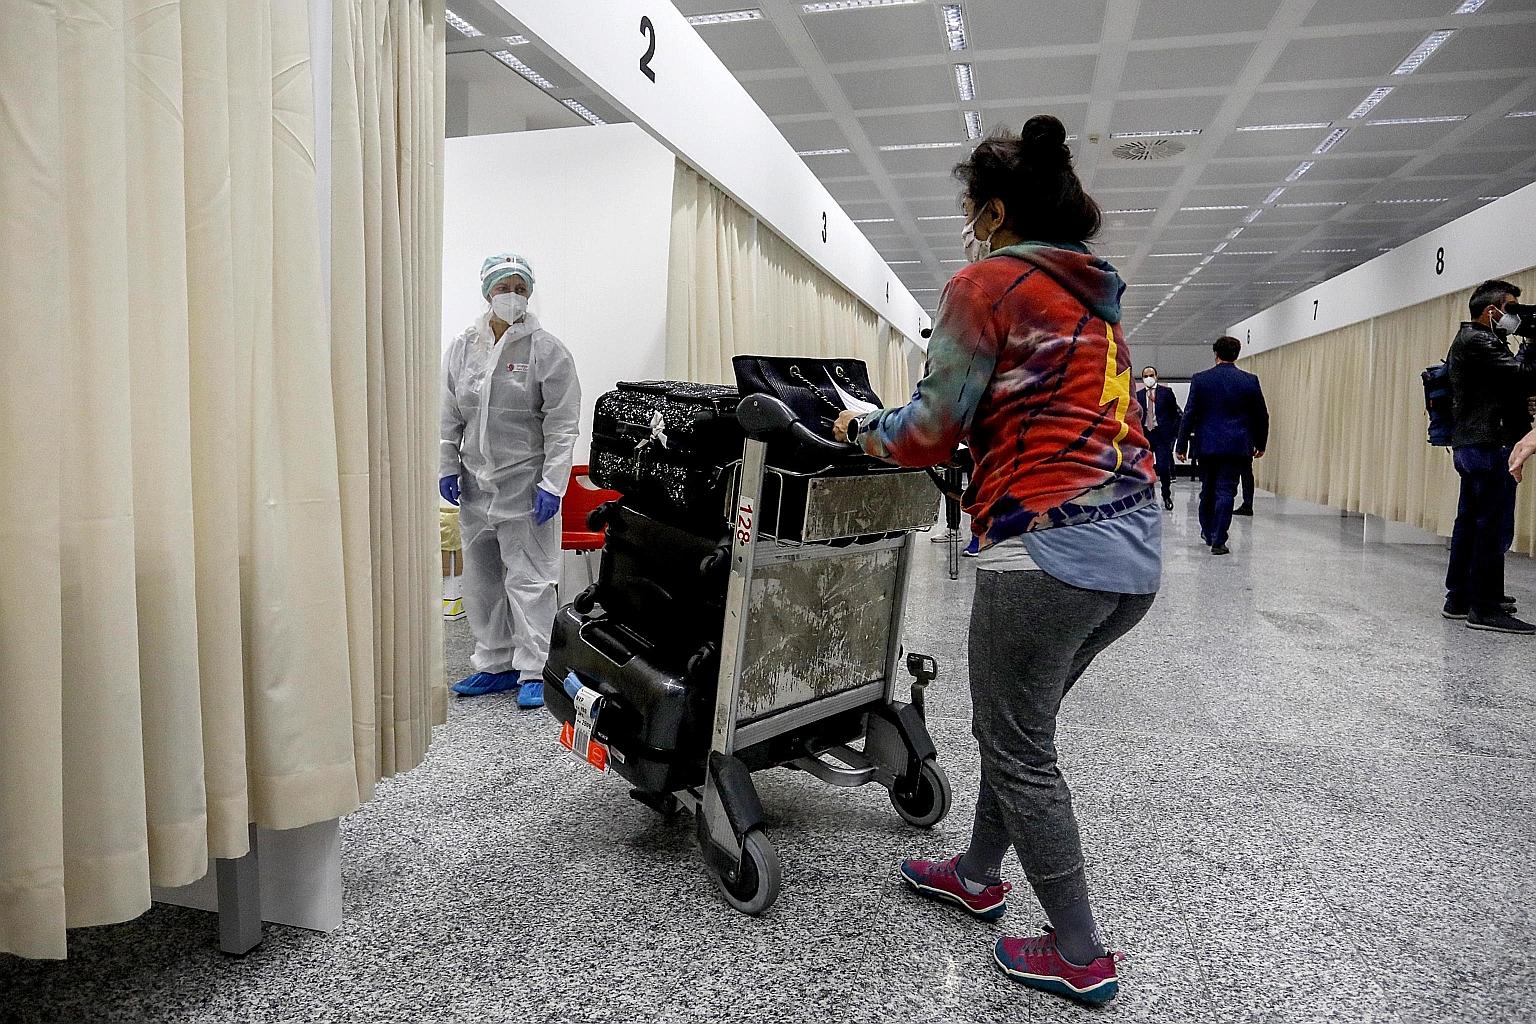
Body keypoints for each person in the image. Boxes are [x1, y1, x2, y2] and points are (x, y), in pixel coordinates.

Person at [834, 115, 1160, 1007]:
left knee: (1019, 751)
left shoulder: (987, 282)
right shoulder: (1091, 298)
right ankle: (979, 874)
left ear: (995, 210)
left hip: (1047, 550)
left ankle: (1081, 949)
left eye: (972, 206)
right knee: (1012, 729)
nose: (968, 221)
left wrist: (863, 427)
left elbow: (932, 427)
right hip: (1130, 555)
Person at [440, 252, 581, 704]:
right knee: (481, 579)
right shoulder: (464, 347)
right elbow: (448, 413)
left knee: (530, 579)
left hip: (525, 484)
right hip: (475, 484)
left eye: (521, 289)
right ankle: (493, 662)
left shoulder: (547, 350)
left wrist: (552, 483)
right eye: (505, 288)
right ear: (487, 292)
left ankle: (536, 669)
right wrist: (446, 465)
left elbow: (562, 424)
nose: (513, 297)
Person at [1443, 280, 1536, 634]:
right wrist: (1531, 343)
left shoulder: (1476, 341)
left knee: (1470, 521)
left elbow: (1506, 386)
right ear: (1490, 311)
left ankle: (1462, 597)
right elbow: (1523, 374)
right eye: (1511, 309)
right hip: (1489, 445)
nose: (1514, 317)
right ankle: (1483, 607)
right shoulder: (1478, 340)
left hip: (1474, 443)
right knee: (1491, 526)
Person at [1176, 336, 1268, 555]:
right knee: (1226, 491)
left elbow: (1189, 414)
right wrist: (1260, 443)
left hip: (1207, 445)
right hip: (1237, 446)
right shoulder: (1249, 380)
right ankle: (1219, 539)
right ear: (1237, 354)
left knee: (1207, 490)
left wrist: (1181, 445)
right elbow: (1261, 415)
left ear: (1215, 353)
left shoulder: (1201, 380)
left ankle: (1207, 531)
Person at [1135, 366, 1181, 511]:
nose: (1149, 378)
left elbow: (1175, 414)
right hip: (1145, 435)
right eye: (1146, 375)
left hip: (1161, 435)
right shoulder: (1139, 395)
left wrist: (1172, 433)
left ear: (1156, 376)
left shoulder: (1166, 393)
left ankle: (1166, 495)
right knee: (1143, 468)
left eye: (1151, 375)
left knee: (1163, 466)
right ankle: (1144, 497)